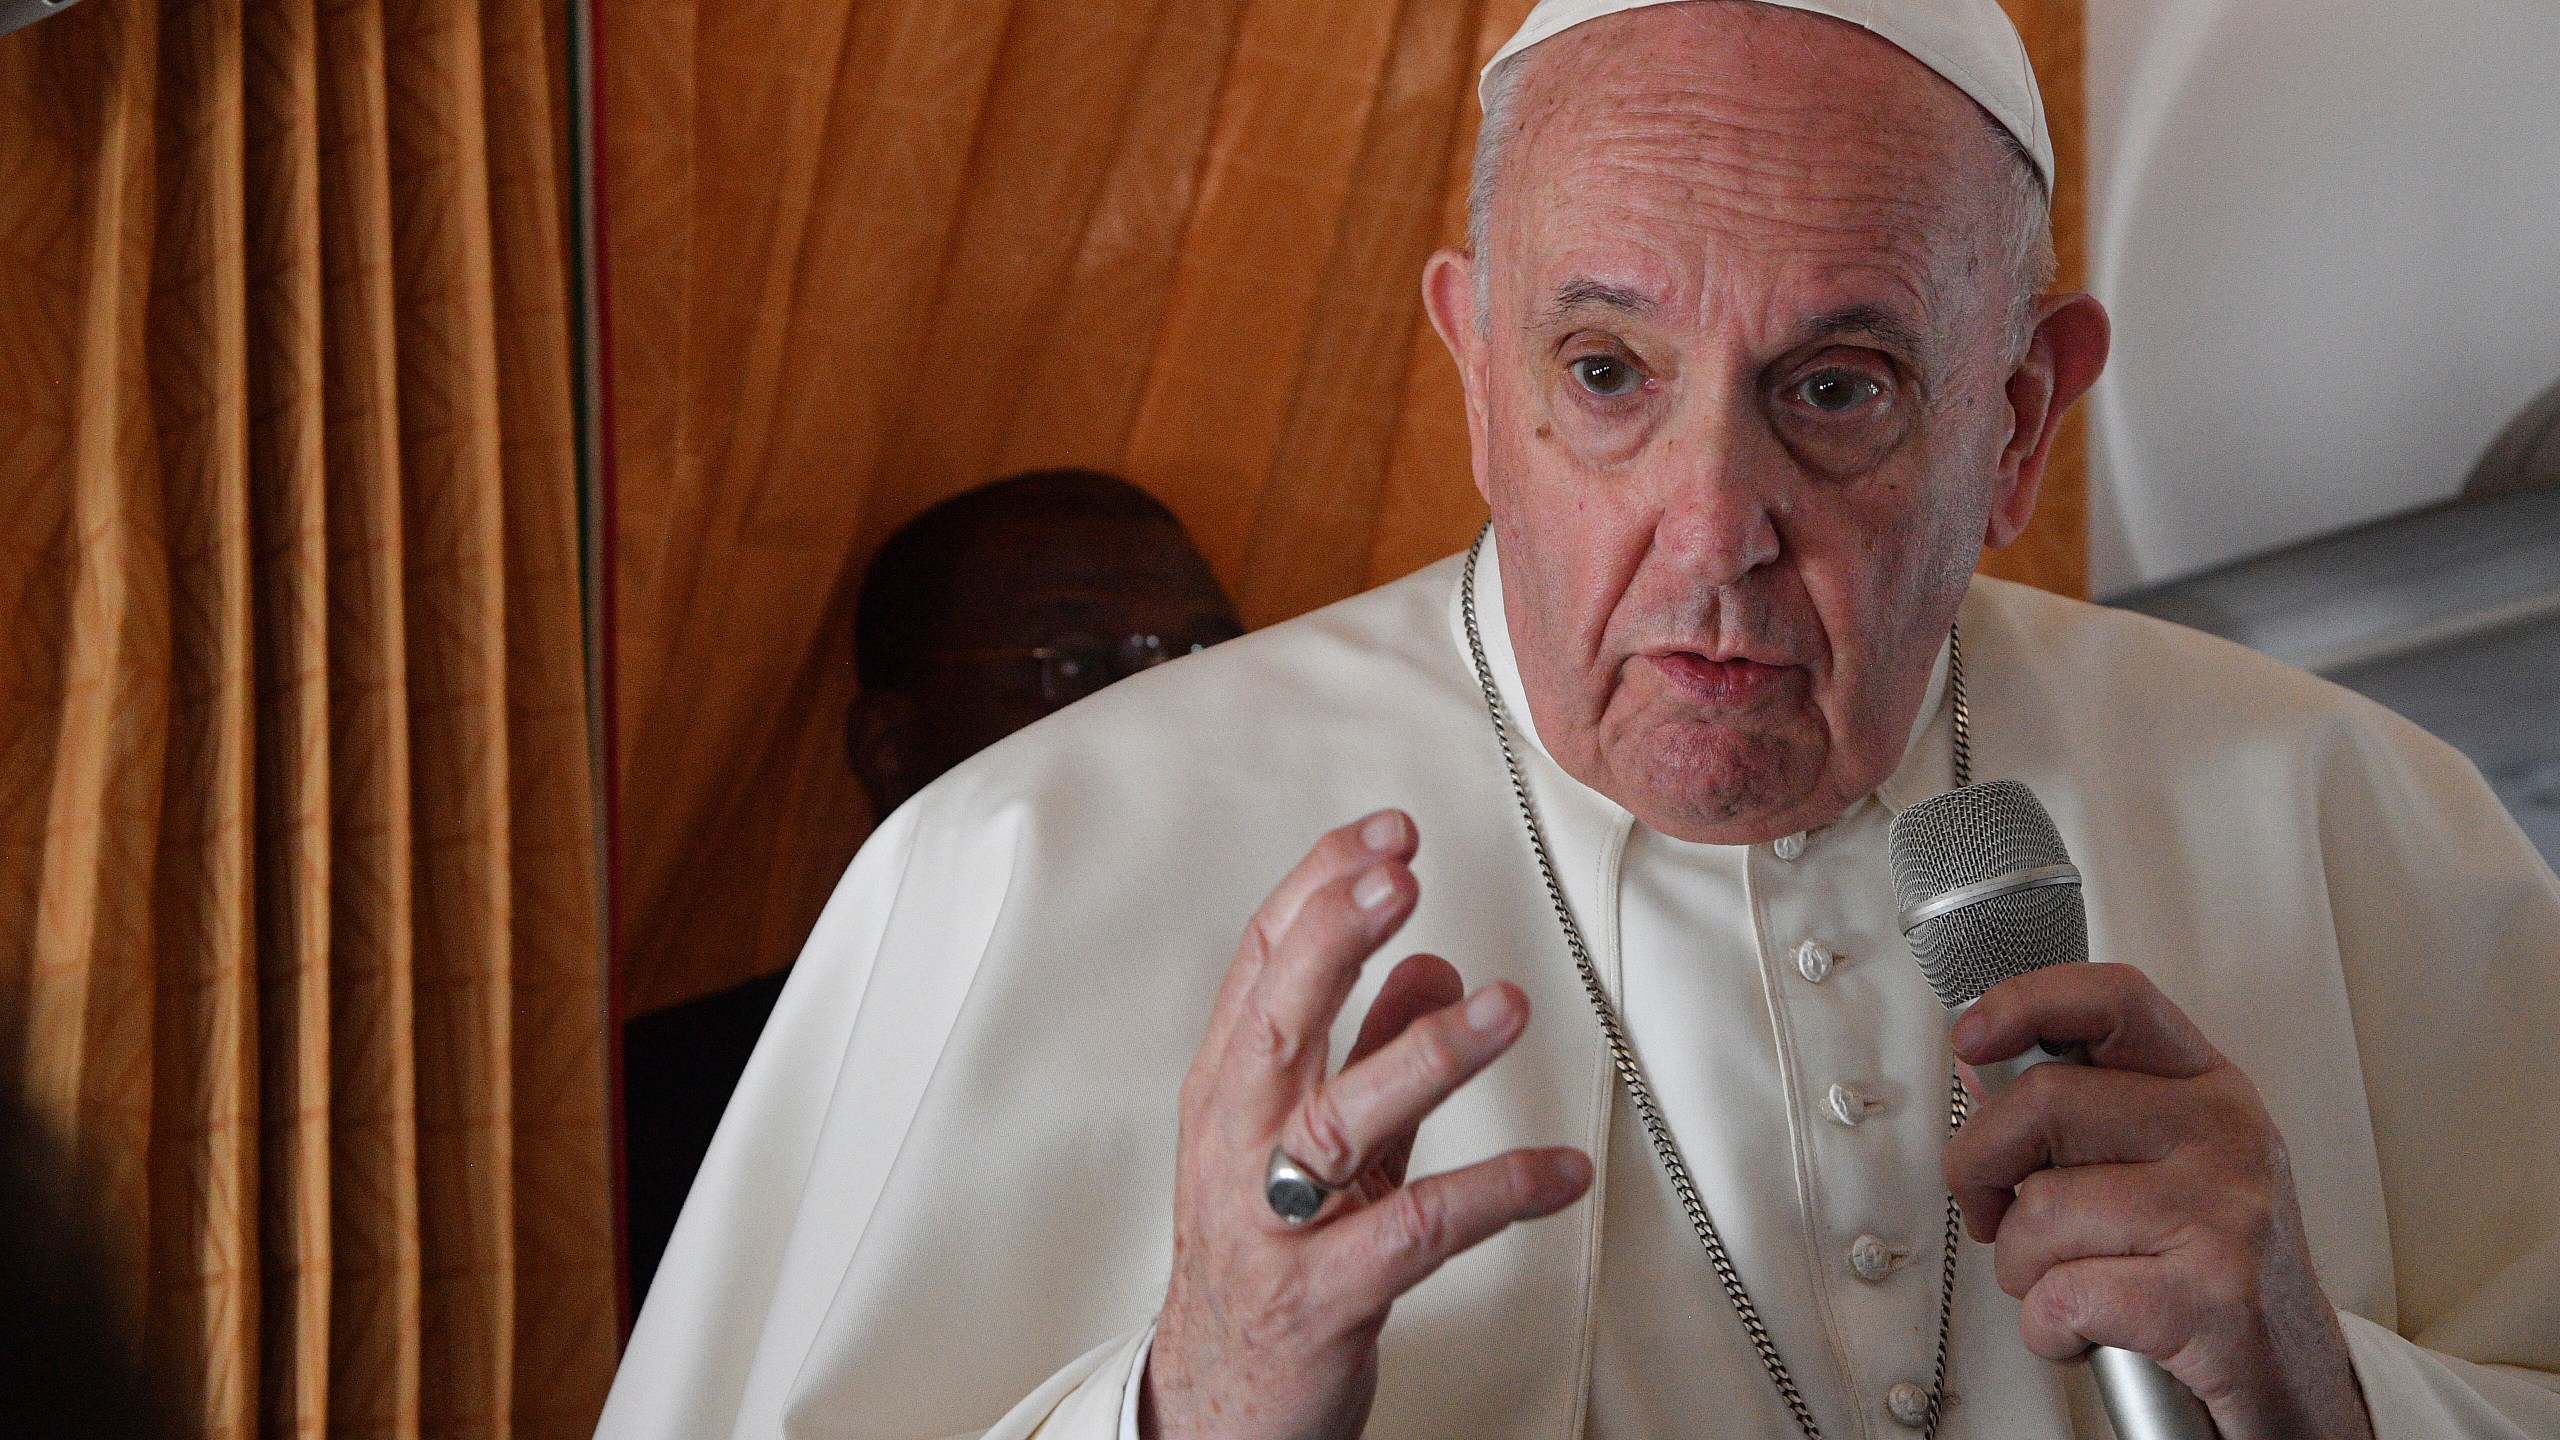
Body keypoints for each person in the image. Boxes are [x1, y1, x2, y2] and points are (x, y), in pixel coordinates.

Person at [596, 3, 2560, 1437]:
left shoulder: (2349, 819)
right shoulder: (1018, 864)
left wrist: (2337, 1397)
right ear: (1470, 370)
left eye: (1839, 385)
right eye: (1605, 370)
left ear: (2019, 421)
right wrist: (1176, 1412)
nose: (1708, 535)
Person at [620, 469, 1241, 1304]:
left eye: (1206, 652)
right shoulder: (676, 1116)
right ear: (892, 746)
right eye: (1076, 663)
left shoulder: (1302, 1054)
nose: (1171, 705)